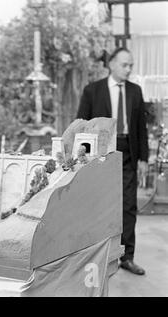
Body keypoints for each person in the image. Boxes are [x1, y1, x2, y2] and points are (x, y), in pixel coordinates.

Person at [77, 47, 148, 275]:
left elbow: (141, 128)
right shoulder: (92, 91)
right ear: (112, 64)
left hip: (128, 151)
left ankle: (127, 257)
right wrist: (82, 157)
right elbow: (81, 125)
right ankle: (98, 256)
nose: (129, 69)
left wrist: (144, 158)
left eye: (131, 65)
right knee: (98, 205)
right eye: (125, 64)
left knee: (128, 205)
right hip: (100, 154)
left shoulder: (136, 92)